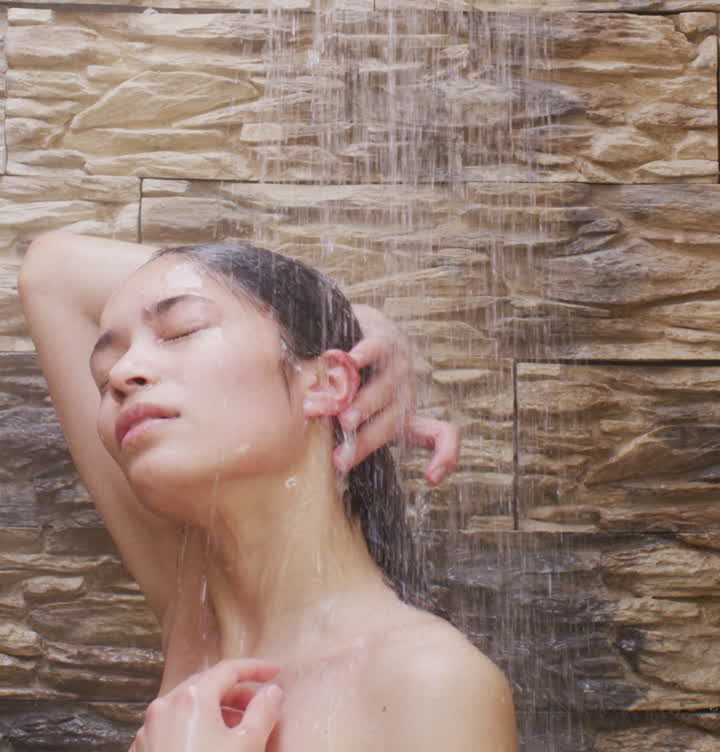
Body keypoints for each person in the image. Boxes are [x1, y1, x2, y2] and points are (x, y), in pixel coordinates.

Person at [19, 231, 517, 752]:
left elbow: (56, 273)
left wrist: (320, 317)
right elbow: (52, 272)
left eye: (182, 329)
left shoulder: (430, 681)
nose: (121, 373)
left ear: (328, 384)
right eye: (102, 376)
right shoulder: (197, 601)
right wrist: (339, 316)